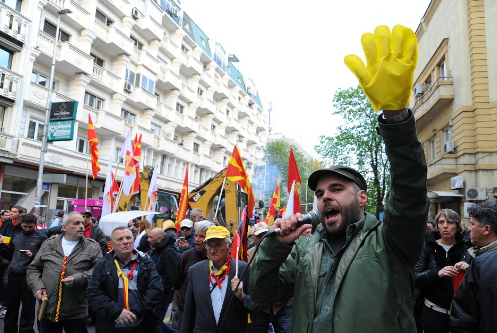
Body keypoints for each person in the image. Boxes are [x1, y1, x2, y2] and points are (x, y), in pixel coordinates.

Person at [249, 25, 428, 333]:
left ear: (362, 197)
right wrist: (276, 246)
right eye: (320, 193)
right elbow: (261, 294)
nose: (324, 197)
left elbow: (409, 190)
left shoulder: (391, 241)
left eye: (336, 188)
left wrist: (395, 116)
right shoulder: (305, 249)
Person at [27, 212, 103, 333]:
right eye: (76, 223)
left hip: (76, 310)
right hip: (48, 309)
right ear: (64, 227)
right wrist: (37, 287)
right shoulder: (49, 244)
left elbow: (99, 272)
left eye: (83, 223)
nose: (82, 226)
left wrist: (78, 278)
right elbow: (33, 268)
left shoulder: (92, 247)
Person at [180, 226, 258, 333]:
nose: (212, 250)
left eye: (218, 245)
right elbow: (189, 310)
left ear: (229, 247)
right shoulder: (195, 271)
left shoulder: (244, 270)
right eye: (209, 245)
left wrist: (242, 296)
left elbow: (256, 307)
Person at [87, 227, 163, 333]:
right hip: (110, 325)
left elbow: (156, 290)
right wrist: (117, 311)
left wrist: (136, 311)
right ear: (112, 245)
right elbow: (93, 294)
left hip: (141, 325)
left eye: (128, 238)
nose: (125, 242)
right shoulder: (103, 264)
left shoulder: (146, 263)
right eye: (120, 239)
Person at [415, 209, 470, 333]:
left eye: (450, 222)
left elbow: (476, 281)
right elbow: (415, 277)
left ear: (457, 226)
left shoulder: (467, 248)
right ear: (437, 227)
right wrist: (436, 274)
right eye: (441, 222)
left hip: (461, 314)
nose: (445, 226)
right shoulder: (427, 246)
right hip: (433, 311)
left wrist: (469, 269)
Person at [450, 201, 497, 333]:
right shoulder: (476, 258)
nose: (469, 228)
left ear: (486, 229)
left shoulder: (480, 264)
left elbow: (464, 319)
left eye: (472, 224)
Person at [0, 213, 47, 333]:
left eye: (30, 227)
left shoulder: (42, 238)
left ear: (35, 225)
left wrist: (33, 256)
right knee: (11, 306)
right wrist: (1, 245)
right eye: (25, 226)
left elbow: (45, 258)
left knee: (28, 307)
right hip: (14, 274)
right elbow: (10, 255)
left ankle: (25, 331)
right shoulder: (16, 236)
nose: (27, 229)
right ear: (22, 224)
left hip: (30, 276)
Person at [247, 221, 292, 333]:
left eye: (265, 234)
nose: (263, 237)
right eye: (259, 235)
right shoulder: (248, 255)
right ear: (253, 238)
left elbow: (289, 275)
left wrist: (289, 301)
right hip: (259, 308)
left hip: (281, 306)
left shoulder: (280, 250)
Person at [175, 221, 215, 330]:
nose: (197, 240)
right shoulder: (187, 256)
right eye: (196, 235)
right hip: (185, 311)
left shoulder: (217, 259)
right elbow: (178, 281)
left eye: (202, 236)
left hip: (207, 314)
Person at [147, 226, 179, 332]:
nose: (148, 240)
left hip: (162, 294)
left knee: (157, 324)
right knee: (155, 320)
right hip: (156, 293)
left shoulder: (168, 252)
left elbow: (172, 277)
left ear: (159, 239)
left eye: (150, 237)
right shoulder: (158, 250)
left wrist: (159, 289)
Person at [0, 205, 24, 318]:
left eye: (14, 212)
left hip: (12, 256)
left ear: (20, 214)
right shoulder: (6, 223)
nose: (11, 213)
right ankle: (2, 303)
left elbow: (17, 241)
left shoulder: (22, 226)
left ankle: (6, 305)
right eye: (11, 211)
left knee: (6, 282)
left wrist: (4, 240)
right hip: (2, 254)